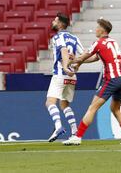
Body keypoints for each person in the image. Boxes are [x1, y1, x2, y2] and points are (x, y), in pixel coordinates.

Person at [63, 18, 121, 145]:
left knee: (92, 107)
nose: (95, 29)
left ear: (102, 30)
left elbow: (84, 56)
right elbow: (96, 57)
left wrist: (72, 61)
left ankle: (77, 137)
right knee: (115, 109)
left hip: (111, 79)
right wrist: (79, 60)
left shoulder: (98, 43)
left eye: (97, 27)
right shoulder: (113, 42)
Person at [46, 13, 84, 143]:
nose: (53, 21)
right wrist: (77, 65)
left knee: (50, 102)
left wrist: (66, 68)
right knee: (64, 104)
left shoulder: (58, 37)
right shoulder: (74, 38)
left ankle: (58, 127)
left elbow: (63, 51)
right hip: (72, 77)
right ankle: (74, 132)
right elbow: (83, 54)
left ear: (61, 24)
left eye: (55, 20)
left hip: (61, 74)